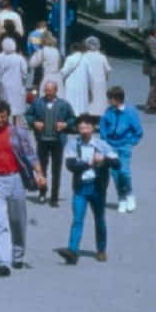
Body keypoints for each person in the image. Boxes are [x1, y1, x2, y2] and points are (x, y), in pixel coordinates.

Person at [0, 100, 45, 275]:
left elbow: (30, 154)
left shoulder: (19, 132)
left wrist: (40, 174)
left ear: (8, 116)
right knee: (0, 222)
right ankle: (3, 262)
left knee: (18, 221)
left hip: (16, 180)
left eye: (3, 116)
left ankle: (18, 255)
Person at [55, 113, 118, 264]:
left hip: (97, 187)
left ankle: (101, 249)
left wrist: (104, 159)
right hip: (80, 188)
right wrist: (88, 164)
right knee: (77, 219)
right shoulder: (73, 144)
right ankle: (73, 251)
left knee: (99, 220)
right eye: (81, 127)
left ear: (92, 128)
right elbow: (70, 165)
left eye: (87, 127)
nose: (84, 130)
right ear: (77, 129)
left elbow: (117, 163)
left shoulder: (102, 145)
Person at [25, 78, 75, 206]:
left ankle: (54, 197)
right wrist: (34, 122)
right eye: (46, 90)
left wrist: (65, 124)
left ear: (56, 91)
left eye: (50, 90)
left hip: (58, 141)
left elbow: (73, 118)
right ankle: (42, 192)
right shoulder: (37, 103)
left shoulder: (64, 104)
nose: (47, 93)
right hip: (42, 140)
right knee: (42, 169)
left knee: (56, 170)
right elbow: (28, 115)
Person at [98, 86, 144, 212]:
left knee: (124, 172)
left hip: (124, 146)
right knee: (115, 174)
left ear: (117, 99)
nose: (108, 101)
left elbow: (138, 131)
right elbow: (103, 127)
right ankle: (121, 198)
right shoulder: (109, 111)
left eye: (110, 99)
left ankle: (129, 193)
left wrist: (131, 142)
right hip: (111, 146)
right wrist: (104, 141)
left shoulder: (130, 112)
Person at [62, 36, 111, 118]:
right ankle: (99, 117)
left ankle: (88, 116)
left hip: (86, 81)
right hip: (100, 82)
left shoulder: (84, 56)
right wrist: (106, 78)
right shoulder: (102, 57)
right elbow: (108, 70)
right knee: (99, 100)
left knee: (88, 101)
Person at [0, 35, 28, 117]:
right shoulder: (20, 58)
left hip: (4, 85)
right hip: (17, 84)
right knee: (16, 107)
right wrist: (23, 82)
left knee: (5, 105)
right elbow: (24, 73)